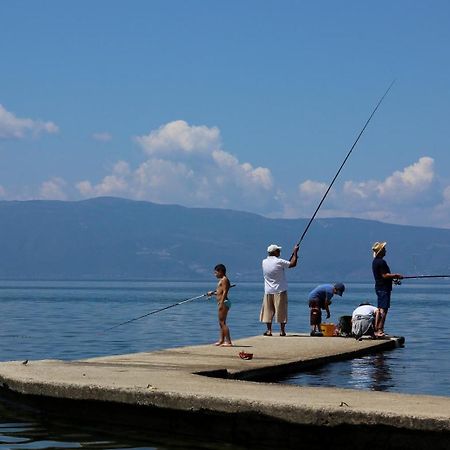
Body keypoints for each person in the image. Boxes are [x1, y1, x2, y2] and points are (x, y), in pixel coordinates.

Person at [260, 243, 299, 336]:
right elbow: (293, 264)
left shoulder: (264, 262)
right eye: (278, 251)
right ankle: (282, 331)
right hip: (280, 290)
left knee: (268, 311)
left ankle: (269, 331)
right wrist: (295, 253)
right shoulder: (279, 262)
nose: (280, 252)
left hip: (268, 291)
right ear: (275, 252)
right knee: (281, 311)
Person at [372, 242, 403, 337]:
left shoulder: (375, 262)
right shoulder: (381, 262)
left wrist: (392, 278)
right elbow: (384, 275)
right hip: (383, 288)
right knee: (383, 310)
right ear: (381, 251)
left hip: (379, 287)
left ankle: (377, 329)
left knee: (380, 309)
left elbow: (383, 276)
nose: (386, 250)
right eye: (384, 249)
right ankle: (379, 330)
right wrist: (396, 275)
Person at [208, 264, 232, 347]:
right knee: (221, 322)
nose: (215, 275)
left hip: (224, 302)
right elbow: (220, 292)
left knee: (222, 322)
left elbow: (225, 292)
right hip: (222, 302)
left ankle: (228, 342)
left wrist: (221, 303)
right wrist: (212, 293)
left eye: (216, 273)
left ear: (221, 271)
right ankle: (221, 340)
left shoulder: (224, 280)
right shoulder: (222, 280)